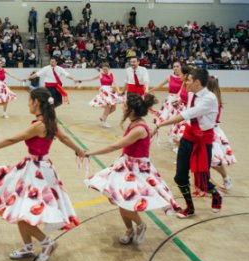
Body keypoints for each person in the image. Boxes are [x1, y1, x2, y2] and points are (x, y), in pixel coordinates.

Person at [0, 88, 84, 261]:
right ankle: (27, 247)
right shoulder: (49, 122)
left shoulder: (39, 125)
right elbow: (64, 138)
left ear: (36, 102)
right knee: (19, 209)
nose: (27, 104)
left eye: (29, 101)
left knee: (23, 213)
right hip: (40, 168)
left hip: (36, 171)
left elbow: (12, 140)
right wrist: (78, 150)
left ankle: (47, 243)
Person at [84, 93, 179, 245]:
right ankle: (129, 229)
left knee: (124, 201)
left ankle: (141, 225)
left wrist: (89, 152)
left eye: (125, 107)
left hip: (137, 170)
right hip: (126, 165)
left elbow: (115, 145)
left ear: (132, 111)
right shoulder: (134, 123)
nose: (122, 108)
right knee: (119, 200)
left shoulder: (139, 128)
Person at [152, 69, 222, 218]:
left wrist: (159, 125)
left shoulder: (209, 98)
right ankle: (189, 208)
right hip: (189, 136)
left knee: (201, 182)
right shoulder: (191, 94)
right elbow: (189, 113)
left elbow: (187, 114)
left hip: (203, 141)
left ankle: (216, 194)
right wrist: (180, 107)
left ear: (197, 83)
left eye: (188, 80)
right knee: (180, 177)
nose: (184, 83)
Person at [207, 76, 236, 190]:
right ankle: (207, 181)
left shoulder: (212, 99)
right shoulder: (213, 97)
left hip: (212, 131)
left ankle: (226, 178)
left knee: (214, 160)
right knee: (209, 160)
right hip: (211, 130)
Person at [77, 63, 124, 128]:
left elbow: (115, 83)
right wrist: (81, 80)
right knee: (108, 106)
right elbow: (91, 79)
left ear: (109, 68)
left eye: (106, 69)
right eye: (103, 69)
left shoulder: (111, 74)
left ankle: (103, 117)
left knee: (113, 108)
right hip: (104, 91)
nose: (104, 70)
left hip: (110, 91)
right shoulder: (100, 74)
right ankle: (104, 121)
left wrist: (118, 91)